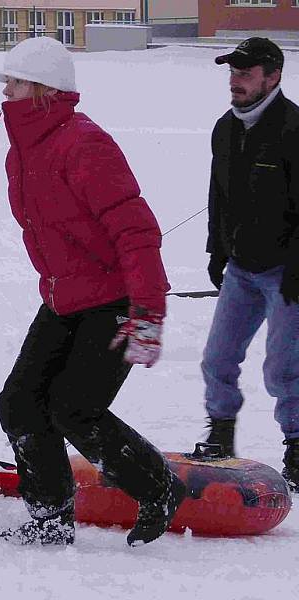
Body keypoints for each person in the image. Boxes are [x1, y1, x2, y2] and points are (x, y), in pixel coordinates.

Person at [0, 37, 185, 547]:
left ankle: (159, 487)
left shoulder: (84, 144)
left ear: (41, 88)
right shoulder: (24, 148)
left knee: (75, 406)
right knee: (20, 403)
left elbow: (135, 230)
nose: (4, 91)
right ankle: (50, 519)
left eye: (13, 81)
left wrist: (146, 312)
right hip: (64, 298)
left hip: (116, 300)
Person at [200, 37, 299, 492]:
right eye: (232, 73)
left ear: (272, 76)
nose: (235, 81)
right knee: (217, 359)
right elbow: (218, 196)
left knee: (283, 368)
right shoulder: (226, 127)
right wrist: (216, 252)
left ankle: (297, 447)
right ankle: (220, 437)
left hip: (286, 270)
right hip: (240, 267)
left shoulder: (292, 129)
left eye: (245, 73)